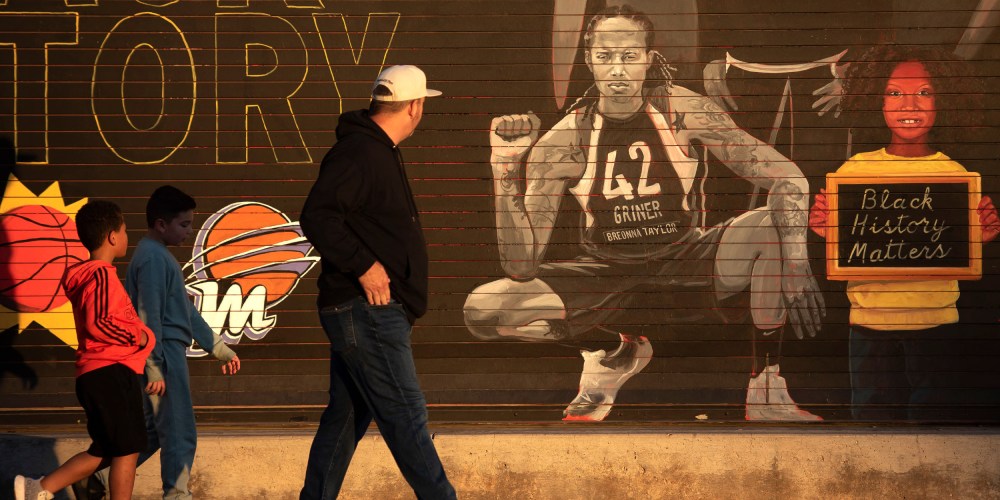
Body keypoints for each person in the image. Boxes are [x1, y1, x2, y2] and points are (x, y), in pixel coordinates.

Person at [464, 4, 826, 422]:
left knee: (772, 223)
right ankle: (613, 353)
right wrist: (505, 169)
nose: (617, 70)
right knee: (484, 309)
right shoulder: (562, 141)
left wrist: (797, 261)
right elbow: (521, 265)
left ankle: (767, 388)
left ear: (648, 58)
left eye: (628, 56)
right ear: (589, 61)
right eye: (605, 57)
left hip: (687, 260)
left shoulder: (682, 110)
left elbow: (788, 178)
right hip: (608, 274)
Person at [809, 45, 1000, 420]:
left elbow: (958, 249)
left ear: (943, 99)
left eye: (924, 93)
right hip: (869, 325)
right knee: (873, 426)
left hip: (937, 325)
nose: (909, 106)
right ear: (876, 100)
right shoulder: (854, 172)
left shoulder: (956, 176)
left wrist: (980, 240)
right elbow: (846, 245)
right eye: (895, 93)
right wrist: (824, 232)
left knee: (933, 431)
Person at [298, 65, 456, 499]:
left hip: (366, 313)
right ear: (415, 106)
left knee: (344, 421)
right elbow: (317, 216)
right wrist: (364, 265)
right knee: (406, 418)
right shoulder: (361, 153)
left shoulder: (375, 149)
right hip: (366, 313)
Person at [14, 200, 154, 500]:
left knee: (105, 450)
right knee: (127, 451)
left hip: (97, 373)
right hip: (110, 371)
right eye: (125, 230)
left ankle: (37, 488)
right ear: (113, 237)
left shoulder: (90, 276)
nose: (128, 237)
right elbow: (101, 323)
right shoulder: (102, 275)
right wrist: (139, 337)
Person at [117, 185, 241, 499]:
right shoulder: (154, 259)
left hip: (163, 352)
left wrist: (217, 347)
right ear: (161, 224)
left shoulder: (158, 256)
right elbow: (149, 317)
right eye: (184, 225)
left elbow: (185, 310)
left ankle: (100, 478)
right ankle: (177, 493)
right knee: (179, 431)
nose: (189, 231)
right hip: (164, 354)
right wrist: (155, 366)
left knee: (154, 433)